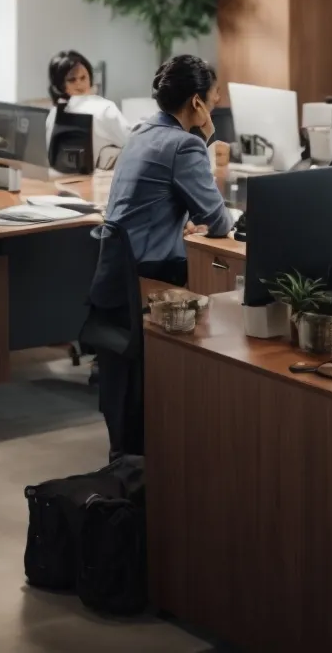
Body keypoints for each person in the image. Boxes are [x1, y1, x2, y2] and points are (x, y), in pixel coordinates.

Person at [86, 54, 235, 457]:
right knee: (226, 297)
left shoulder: (141, 132)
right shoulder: (184, 145)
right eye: (214, 96)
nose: (218, 101)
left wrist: (176, 220)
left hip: (117, 279)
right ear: (197, 103)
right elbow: (219, 222)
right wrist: (205, 139)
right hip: (152, 280)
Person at [44, 49, 131, 169]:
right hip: (92, 182)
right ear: (61, 85)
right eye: (72, 80)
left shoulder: (54, 113)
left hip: (60, 179)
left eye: (83, 77)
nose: (80, 84)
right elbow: (132, 143)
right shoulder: (105, 108)